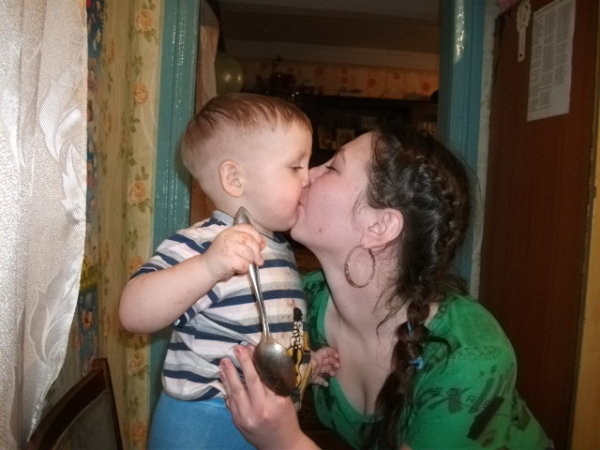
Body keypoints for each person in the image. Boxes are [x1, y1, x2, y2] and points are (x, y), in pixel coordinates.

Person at [219, 124, 552, 449]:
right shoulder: (303, 300)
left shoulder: (467, 357)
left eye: (332, 167)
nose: (306, 175)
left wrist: (285, 442)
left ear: (379, 226)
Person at [119, 93, 339, 450]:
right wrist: (207, 266)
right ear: (234, 178)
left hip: (266, 423)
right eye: (295, 166)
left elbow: (265, 337)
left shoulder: (280, 250)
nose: (308, 177)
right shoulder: (204, 245)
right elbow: (133, 313)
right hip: (203, 423)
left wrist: (305, 366)